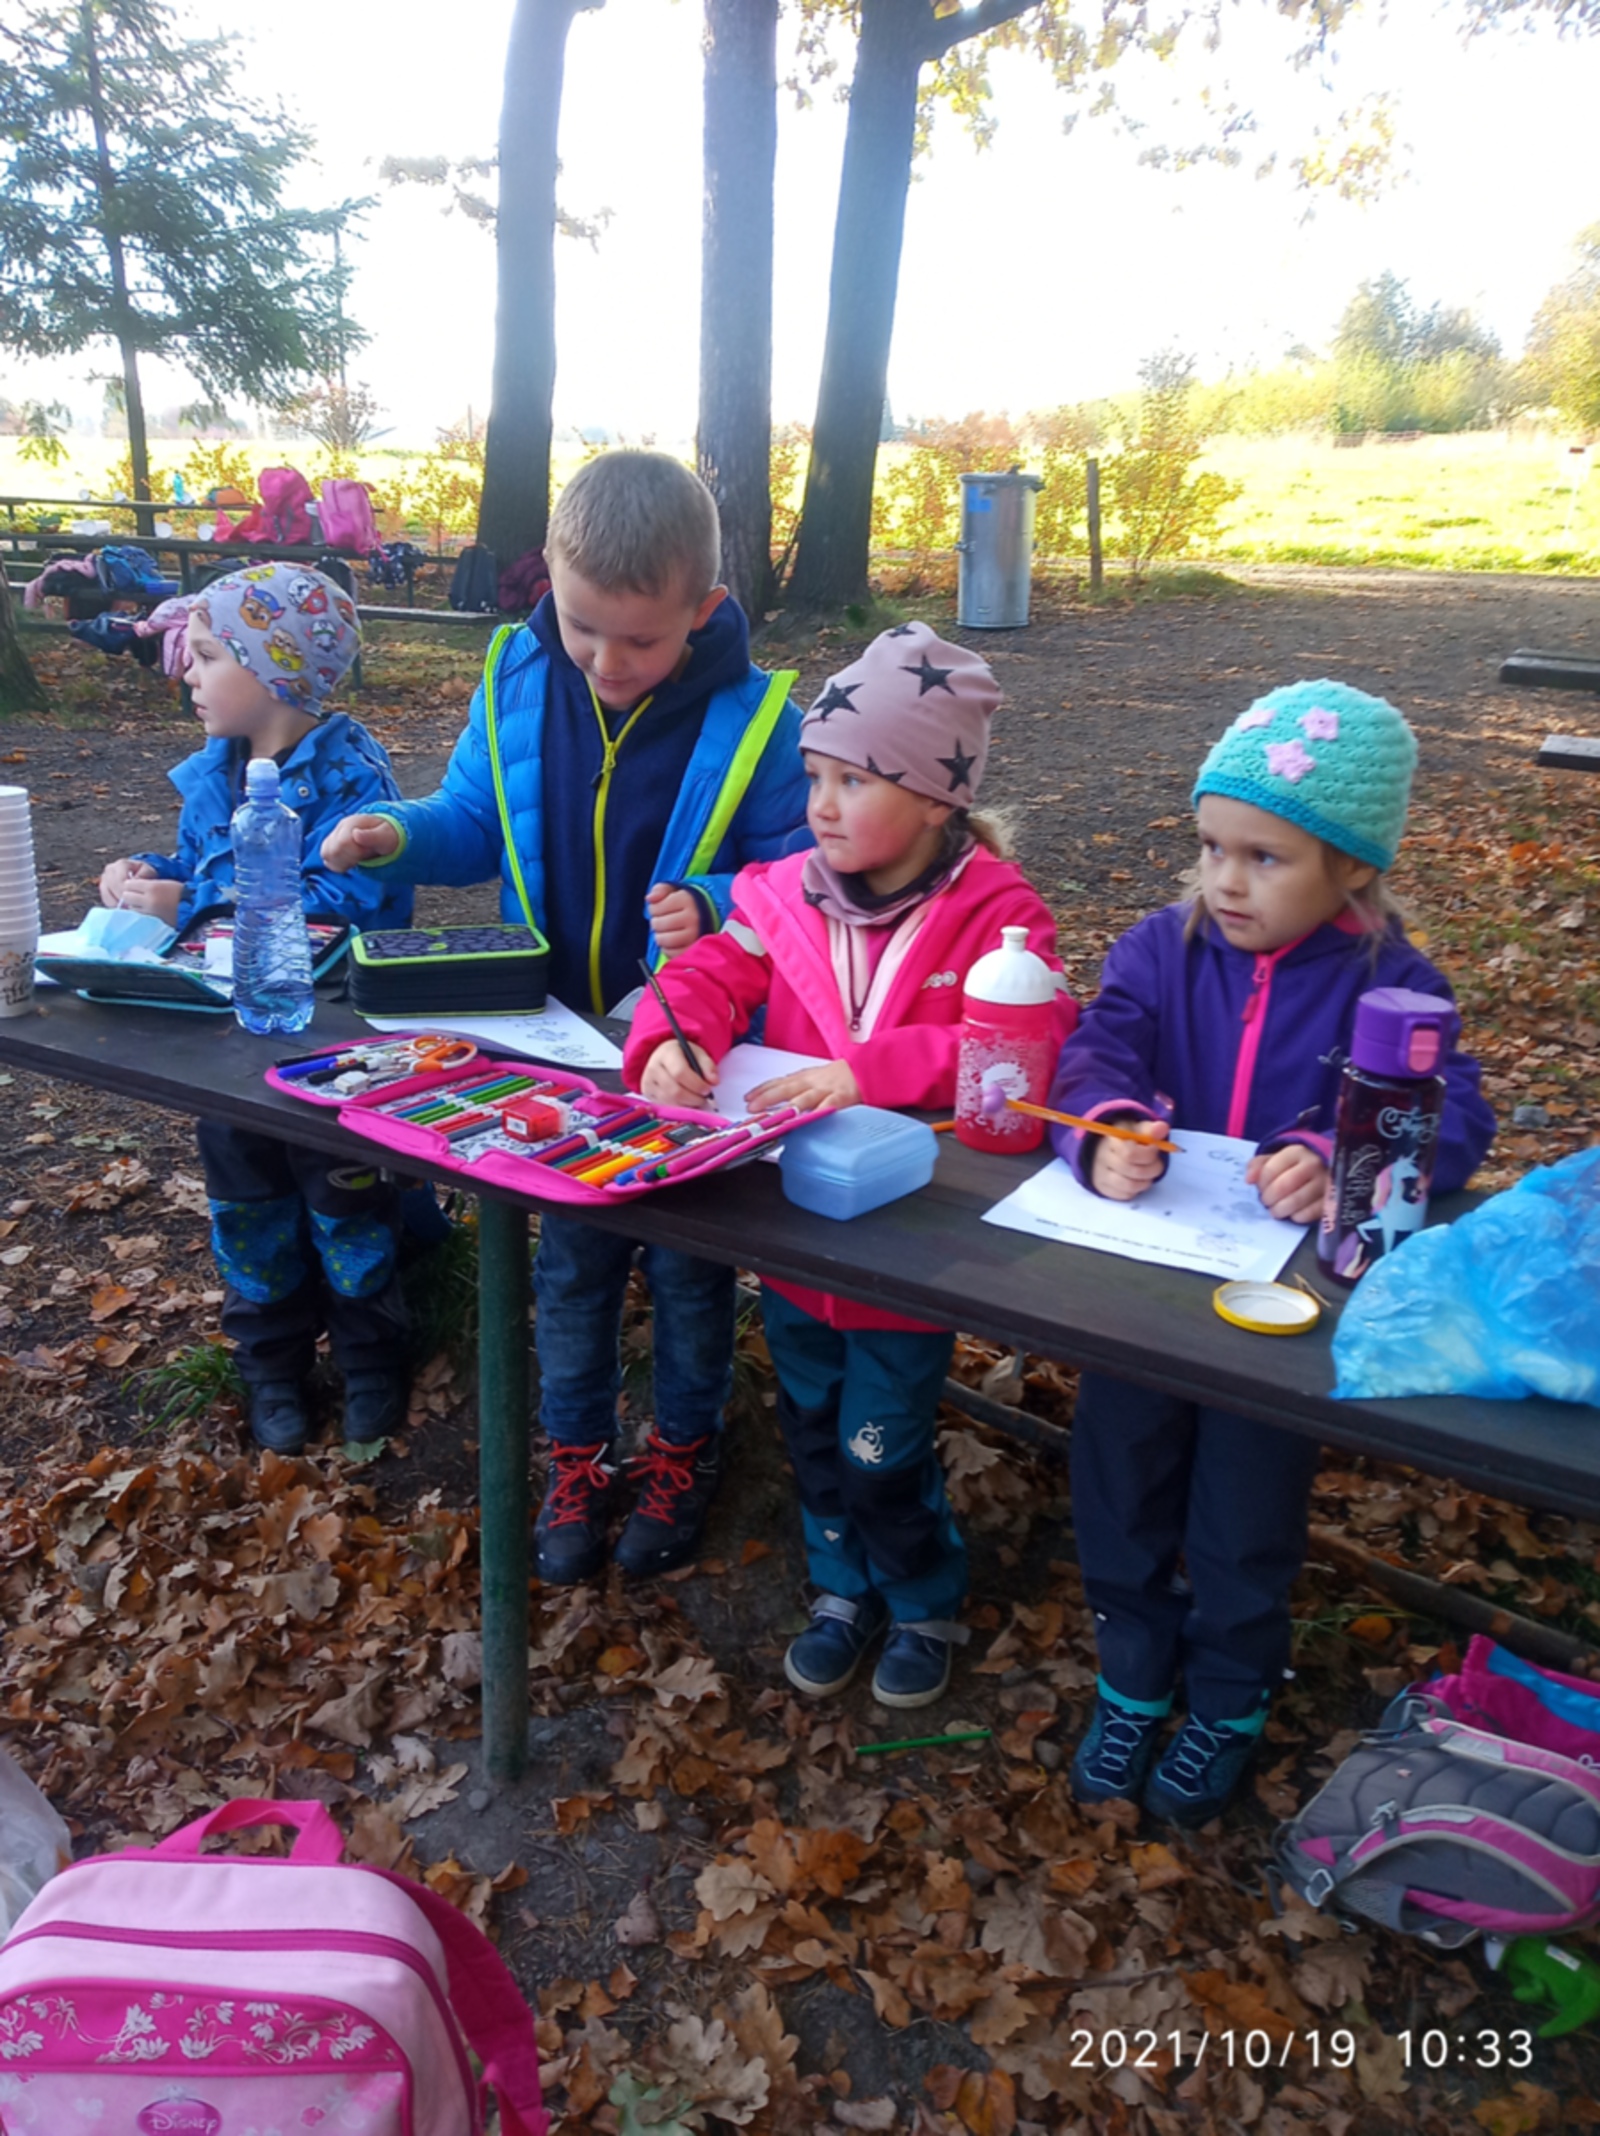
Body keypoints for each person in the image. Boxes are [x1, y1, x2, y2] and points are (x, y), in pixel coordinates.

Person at [321, 451, 811, 1581]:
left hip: (689, 1057)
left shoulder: (758, 721)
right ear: (550, 581)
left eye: (640, 640)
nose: (606, 660)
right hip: (557, 1054)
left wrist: (715, 901)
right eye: (584, 627)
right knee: (573, 1270)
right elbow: (472, 819)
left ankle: (683, 1450)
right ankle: (577, 1459)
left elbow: (801, 876)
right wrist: (397, 833)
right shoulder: (521, 674)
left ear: (704, 611)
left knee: (688, 1274)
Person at [1051, 679, 1496, 1825]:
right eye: (1211, 848)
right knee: (1118, 1481)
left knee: (1244, 1515)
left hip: (1280, 1317)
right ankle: (1132, 1674)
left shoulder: (1394, 986)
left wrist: (1336, 1150)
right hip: (1141, 1291)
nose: (1226, 881)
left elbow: (1456, 1112)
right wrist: (1107, 1131)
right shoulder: (1161, 950)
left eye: (1264, 857)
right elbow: (1093, 1055)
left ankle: (1228, 1698)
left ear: (1350, 867)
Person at [627, 623, 1078, 1708]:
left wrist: (861, 1072)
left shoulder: (999, 920)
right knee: (813, 1431)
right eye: (815, 777)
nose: (820, 805)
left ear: (932, 799)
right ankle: (840, 1589)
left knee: (881, 1446)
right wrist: (666, 1045)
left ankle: (921, 1597)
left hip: (906, 1255)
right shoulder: (785, 895)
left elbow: (1023, 1050)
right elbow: (706, 977)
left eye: (853, 781)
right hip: (794, 1239)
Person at [99, 562, 418, 1456]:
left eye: (207, 656)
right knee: (247, 1203)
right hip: (231, 1041)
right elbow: (202, 865)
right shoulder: (218, 773)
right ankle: (271, 1363)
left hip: (336, 1043)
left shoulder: (351, 778)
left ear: (275, 669)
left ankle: (371, 1358)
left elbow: (345, 907)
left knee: (347, 1202)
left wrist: (194, 904)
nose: (187, 674)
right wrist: (149, 875)